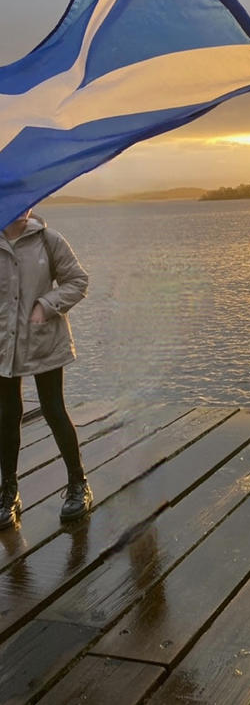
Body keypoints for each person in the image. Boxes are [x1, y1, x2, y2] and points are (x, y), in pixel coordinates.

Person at [0, 209, 90, 529]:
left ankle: (78, 484)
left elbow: (78, 281)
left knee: (53, 409)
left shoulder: (48, 240)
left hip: (44, 342)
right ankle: (9, 491)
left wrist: (46, 304)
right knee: (6, 415)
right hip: (3, 346)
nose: (24, 206)